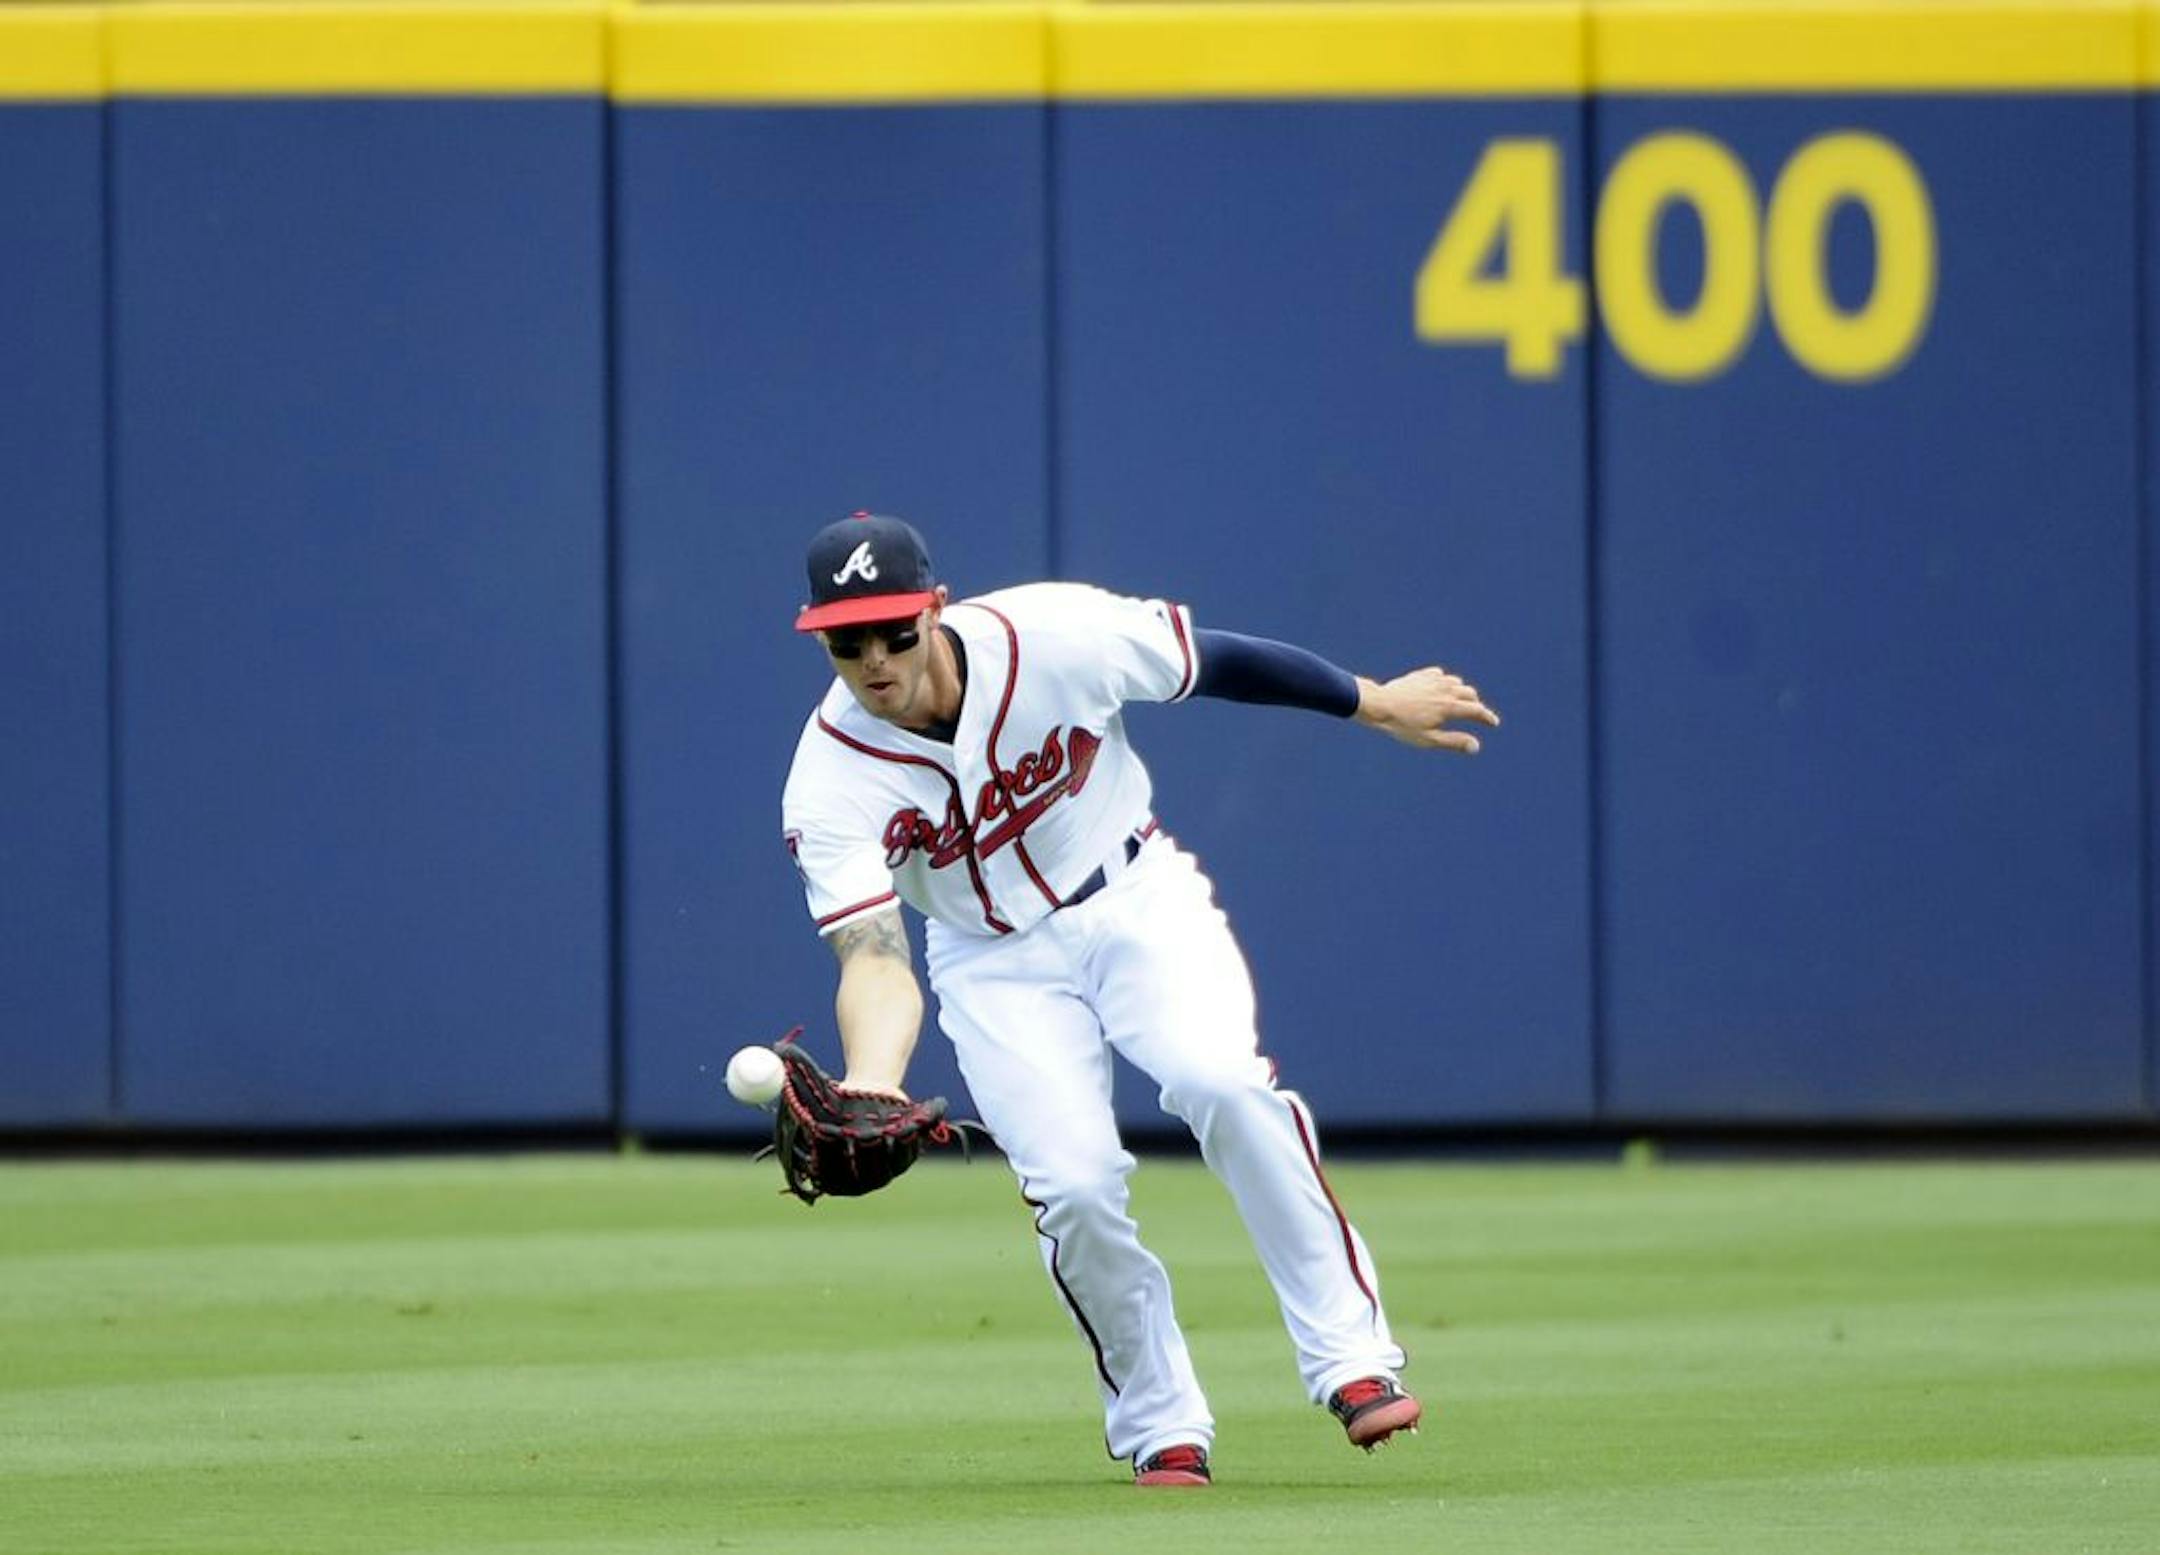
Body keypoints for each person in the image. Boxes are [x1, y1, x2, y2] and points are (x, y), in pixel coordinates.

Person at [778, 512, 1499, 1487]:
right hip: (991, 963)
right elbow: (872, 954)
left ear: (935, 610)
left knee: (1224, 1084)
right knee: (1071, 1187)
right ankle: (1161, 1418)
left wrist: (1375, 702)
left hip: (1134, 897)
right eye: (844, 639)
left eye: (893, 630)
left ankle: (1353, 1361)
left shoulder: (1053, 636)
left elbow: (1215, 660)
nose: (873, 658)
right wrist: (871, 1080)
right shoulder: (829, 777)